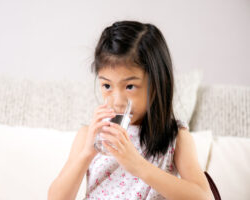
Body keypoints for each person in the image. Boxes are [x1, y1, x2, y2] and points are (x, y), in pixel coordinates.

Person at [48, 20, 213, 200]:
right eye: (106, 85)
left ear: (157, 84)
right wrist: (87, 153)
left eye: (130, 87)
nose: (117, 101)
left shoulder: (175, 137)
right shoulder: (88, 135)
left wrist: (138, 166)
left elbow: (204, 197)